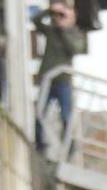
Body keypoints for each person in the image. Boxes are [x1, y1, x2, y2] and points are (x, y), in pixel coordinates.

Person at [31, 1, 81, 153]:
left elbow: (74, 49)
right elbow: (35, 21)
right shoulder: (51, 31)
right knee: (40, 112)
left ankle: (67, 145)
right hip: (47, 80)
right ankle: (39, 144)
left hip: (64, 82)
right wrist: (50, 11)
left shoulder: (75, 33)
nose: (60, 17)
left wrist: (64, 28)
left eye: (63, 14)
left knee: (65, 115)